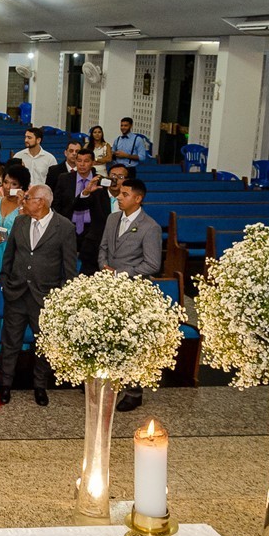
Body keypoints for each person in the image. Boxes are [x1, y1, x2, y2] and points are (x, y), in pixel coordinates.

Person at [0, 184, 77, 406]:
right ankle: (5, 385)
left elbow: (69, 268)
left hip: (45, 297)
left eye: (29, 198)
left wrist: (60, 298)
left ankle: (40, 385)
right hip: (16, 293)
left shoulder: (64, 227)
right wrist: (5, 282)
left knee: (43, 344)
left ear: (41, 201)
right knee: (10, 342)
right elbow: (9, 255)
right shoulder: (20, 221)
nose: (24, 201)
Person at [99, 178, 163, 413]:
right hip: (110, 286)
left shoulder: (150, 227)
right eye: (119, 193)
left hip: (133, 290)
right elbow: (104, 246)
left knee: (132, 341)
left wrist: (121, 273)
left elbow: (152, 263)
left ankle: (133, 391)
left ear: (138, 198)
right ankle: (111, 379)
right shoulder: (112, 218)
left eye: (124, 194)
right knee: (111, 336)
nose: (119, 196)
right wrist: (103, 266)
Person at [54, 148, 111, 274]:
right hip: (69, 226)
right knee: (66, 265)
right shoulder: (64, 178)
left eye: (86, 161)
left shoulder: (101, 182)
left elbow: (105, 210)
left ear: (92, 163)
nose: (82, 164)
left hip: (91, 231)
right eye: (79, 161)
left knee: (89, 269)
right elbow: (57, 205)